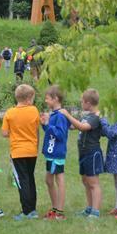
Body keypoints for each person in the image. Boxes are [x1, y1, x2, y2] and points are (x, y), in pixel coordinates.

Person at [59, 89, 103, 219]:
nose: (81, 103)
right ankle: (89, 208)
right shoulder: (87, 116)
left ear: (88, 103)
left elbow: (83, 127)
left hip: (92, 153)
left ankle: (95, 211)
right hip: (83, 153)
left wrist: (68, 115)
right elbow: (74, 126)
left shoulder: (95, 117)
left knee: (93, 183)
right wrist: (62, 118)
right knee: (86, 181)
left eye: (82, 101)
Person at [2, 84, 40, 220]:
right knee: (30, 179)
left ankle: (26, 211)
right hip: (32, 151)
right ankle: (33, 210)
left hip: (17, 152)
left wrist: (14, 132)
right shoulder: (34, 110)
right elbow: (36, 128)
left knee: (22, 181)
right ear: (29, 98)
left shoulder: (10, 113)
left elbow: (4, 133)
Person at [40, 85, 70, 220]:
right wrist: (44, 124)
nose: (45, 101)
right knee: (48, 180)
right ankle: (55, 208)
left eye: (47, 98)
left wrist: (48, 125)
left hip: (57, 153)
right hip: (51, 153)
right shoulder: (54, 114)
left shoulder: (61, 116)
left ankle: (60, 212)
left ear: (56, 98)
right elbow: (50, 132)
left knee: (59, 179)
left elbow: (60, 135)